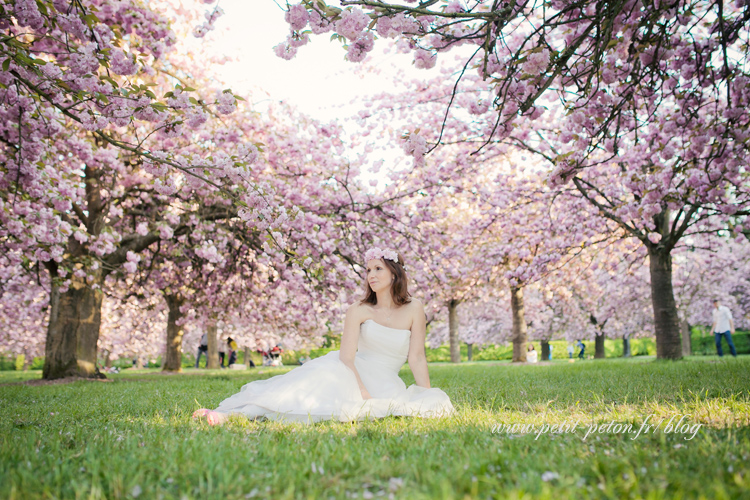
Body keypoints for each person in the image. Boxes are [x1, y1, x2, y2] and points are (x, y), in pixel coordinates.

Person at [192, 247, 455, 425]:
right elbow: (347, 358)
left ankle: (238, 415)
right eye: (368, 270)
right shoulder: (359, 310)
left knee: (326, 407)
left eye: (378, 269)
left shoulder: (414, 308)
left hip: (386, 381)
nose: (371, 275)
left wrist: (426, 394)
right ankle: (231, 415)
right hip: (349, 371)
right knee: (305, 389)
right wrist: (361, 389)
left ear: (395, 273)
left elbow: (417, 357)